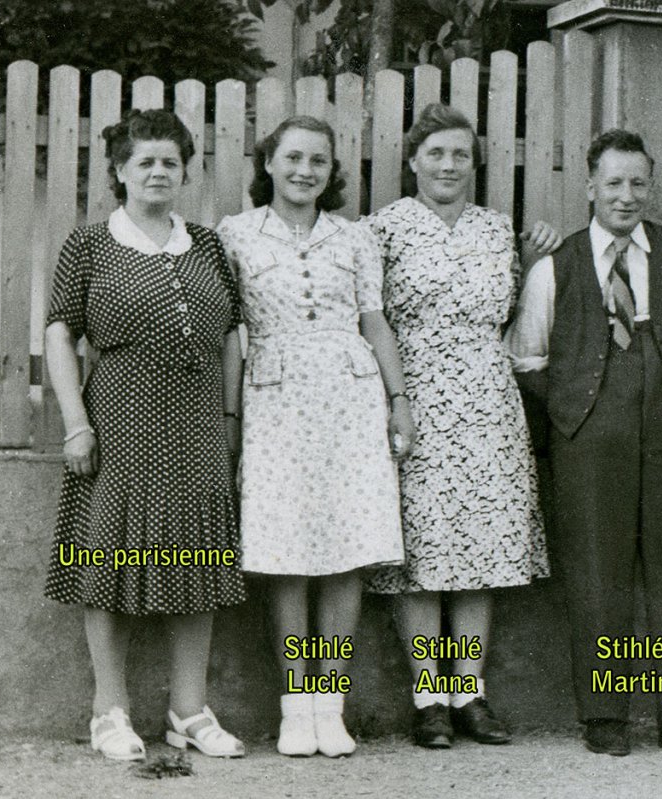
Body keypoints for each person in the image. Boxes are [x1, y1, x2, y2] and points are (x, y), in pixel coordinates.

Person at [507, 129, 662, 761]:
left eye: (637, 183)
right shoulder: (556, 265)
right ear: (590, 187)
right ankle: (606, 715)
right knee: (597, 572)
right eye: (613, 183)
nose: (626, 196)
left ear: (649, 186)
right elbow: (527, 357)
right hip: (588, 436)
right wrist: (576, 412)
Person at [44, 109, 245, 761]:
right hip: (121, 422)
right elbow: (59, 333)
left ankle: (189, 710)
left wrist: (231, 420)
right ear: (120, 171)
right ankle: (109, 711)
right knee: (109, 560)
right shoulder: (90, 244)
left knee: (199, 561)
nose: (159, 172)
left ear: (185, 171)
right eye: (145, 161)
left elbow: (232, 336)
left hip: (199, 426)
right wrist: (76, 424)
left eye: (170, 161)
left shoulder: (207, 244)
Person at [215, 116, 414, 757]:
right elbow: (231, 333)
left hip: (349, 396)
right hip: (275, 397)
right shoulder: (235, 234)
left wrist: (398, 400)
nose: (305, 171)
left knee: (345, 552)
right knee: (288, 553)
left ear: (332, 172)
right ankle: (295, 705)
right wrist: (231, 419)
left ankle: (331, 705)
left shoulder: (354, 237)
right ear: (269, 163)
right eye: (294, 158)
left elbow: (374, 321)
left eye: (318, 161)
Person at [364, 103, 557, 749]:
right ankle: (429, 699)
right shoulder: (383, 228)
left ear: (473, 164)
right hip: (414, 394)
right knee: (421, 549)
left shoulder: (497, 228)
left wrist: (533, 256)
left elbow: (514, 312)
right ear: (413, 161)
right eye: (435, 153)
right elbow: (371, 316)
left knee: (482, 546)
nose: (448, 165)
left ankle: (469, 692)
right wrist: (395, 398)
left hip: (488, 399)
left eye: (458, 154)